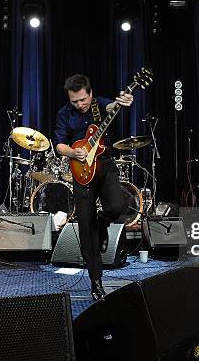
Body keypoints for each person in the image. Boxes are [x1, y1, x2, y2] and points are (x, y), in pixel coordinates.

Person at [54, 74, 133, 300]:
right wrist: (72, 152)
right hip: (80, 170)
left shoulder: (100, 105)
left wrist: (121, 102)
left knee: (118, 206)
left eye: (83, 99)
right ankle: (96, 282)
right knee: (87, 229)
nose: (80, 105)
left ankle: (104, 221)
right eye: (75, 101)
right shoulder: (63, 114)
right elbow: (59, 143)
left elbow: (113, 105)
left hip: (105, 165)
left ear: (90, 93)